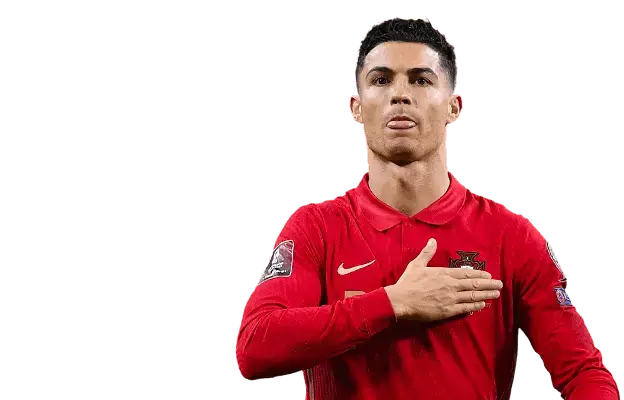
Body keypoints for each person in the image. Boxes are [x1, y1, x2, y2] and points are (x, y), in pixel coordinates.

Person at [234, 16, 620, 399]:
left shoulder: (511, 236)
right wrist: (393, 303)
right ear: (356, 108)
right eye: (381, 80)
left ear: (454, 106)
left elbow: (585, 374)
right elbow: (254, 347)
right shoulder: (316, 228)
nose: (399, 95)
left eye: (420, 80)